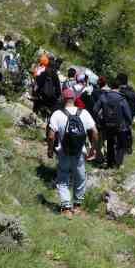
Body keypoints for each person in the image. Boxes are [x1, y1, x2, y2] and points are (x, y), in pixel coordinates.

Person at [47, 86, 98, 214]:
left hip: (63, 152)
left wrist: (50, 149)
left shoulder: (57, 114)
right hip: (80, 152)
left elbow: (51, 135)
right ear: (74, 98)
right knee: (80, 178)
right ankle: (78, 206)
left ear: (63, 99)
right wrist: (93, 149)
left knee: (63, 178)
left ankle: (66, 207)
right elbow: (95, 132)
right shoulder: (84, 113)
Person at [91, 80, 128, 169]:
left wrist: (100, 120)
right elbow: (127, 113)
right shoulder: (121, 98)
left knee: (110, 143)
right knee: (121, 144)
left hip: (107, 124)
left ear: (111, 86)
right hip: (119, 125)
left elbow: (95, 109)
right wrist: (128, 122)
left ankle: (110, 163)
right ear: (118, 88)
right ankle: (118, 163)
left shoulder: (104, 96)